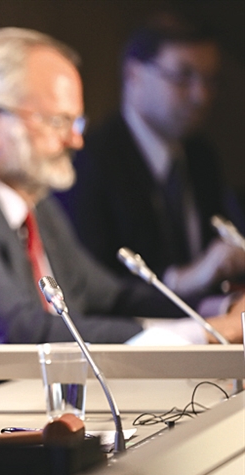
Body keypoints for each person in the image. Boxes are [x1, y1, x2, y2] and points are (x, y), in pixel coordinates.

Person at [0, 27, 245, 356]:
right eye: (58, 121)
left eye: (76, 122)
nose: (76, 140)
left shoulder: (31, 198)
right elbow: (23, 336)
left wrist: (218, 307)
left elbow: (109, 297)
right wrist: (203, 333)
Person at [57, 13, 245, 300]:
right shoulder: (88, 159)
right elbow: (89, 284)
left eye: (210, 80)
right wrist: (184, 279)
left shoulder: (202, 156)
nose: (201, 96)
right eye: (183, 76)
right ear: (134, 75)